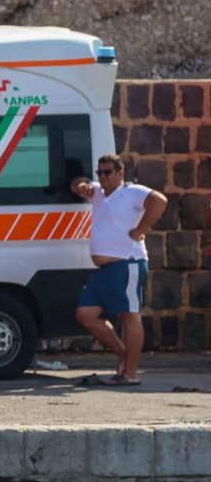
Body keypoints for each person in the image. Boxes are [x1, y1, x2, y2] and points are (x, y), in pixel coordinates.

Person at [71, 154, 167, 386]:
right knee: (85, 313)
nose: (102, 177)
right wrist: (82, 185)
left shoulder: (131, 192)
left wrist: (142, 228)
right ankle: (124, 354)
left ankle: (130, 374)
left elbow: (160, 200)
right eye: (99, 172)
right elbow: (75, 184)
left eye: (107, 172)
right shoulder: (97, 193)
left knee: (129, 316)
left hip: (127, 262)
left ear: (120, 174)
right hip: (105, 270)